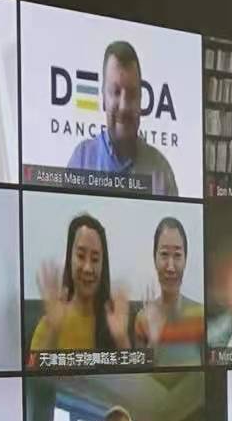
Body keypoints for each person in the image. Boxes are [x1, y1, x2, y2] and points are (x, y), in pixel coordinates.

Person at [66, 41, 178, 195]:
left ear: (141, 99)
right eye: (116, 92)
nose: (124, 106)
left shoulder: (161, 172)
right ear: (104, 98)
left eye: (132, 94)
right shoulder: (81, 161)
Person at [29, 214, 129, 358]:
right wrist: (53, 330)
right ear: (70, 259)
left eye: (95, 259)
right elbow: (34, 371)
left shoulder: (114, 323)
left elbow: (132, 371)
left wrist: (121, 339)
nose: (88, 268)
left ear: (103, 265)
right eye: (81, 256)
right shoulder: (50, 322)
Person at [133, 216, 204, 365]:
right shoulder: (143, 319)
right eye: (164, 254)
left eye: (177, 255)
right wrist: (153, 341)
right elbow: (139, 376)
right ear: (154, 258)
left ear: (185, 260)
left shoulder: (201, 316)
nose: (170, 267)